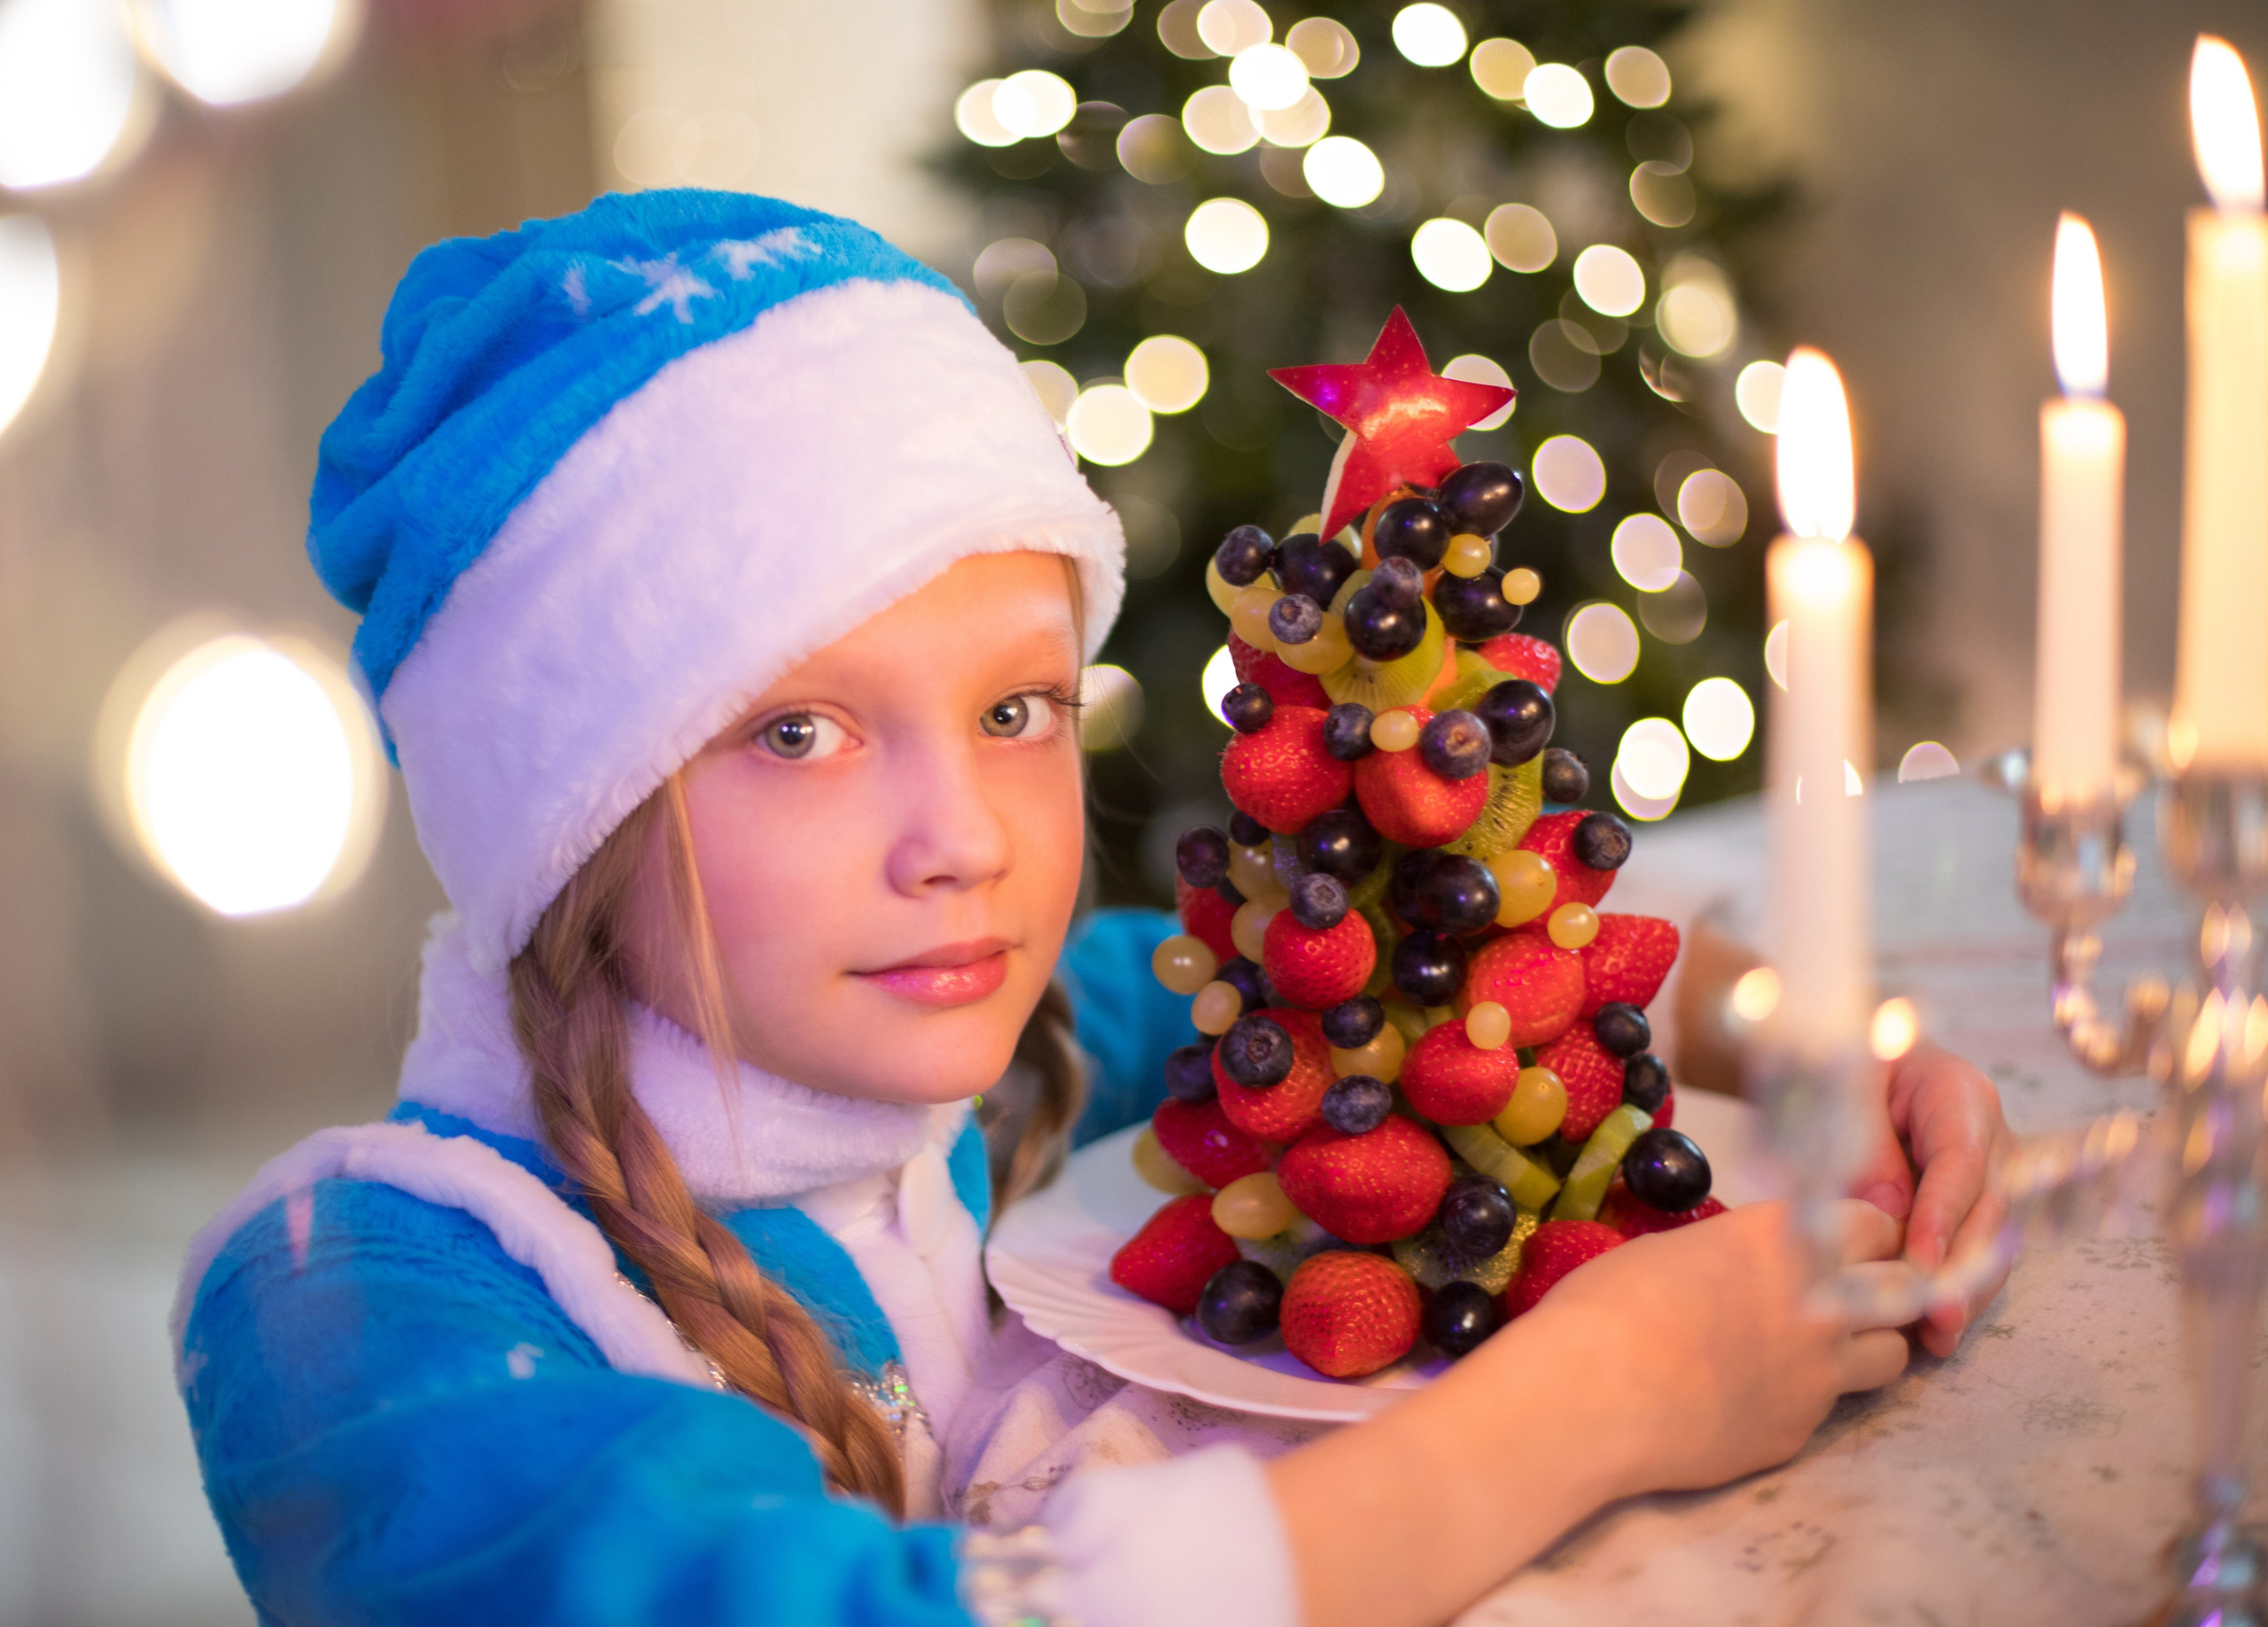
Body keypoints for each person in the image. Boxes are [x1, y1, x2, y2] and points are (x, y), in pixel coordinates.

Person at [172, 190, 2010, 1627]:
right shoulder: (356, 1310)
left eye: (1013, 709)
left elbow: (1372, 993)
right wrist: (1587, 1408)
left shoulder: (992, 1048)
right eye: (797, 731)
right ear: (556, 812)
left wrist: (1816, 1043)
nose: (958, 837)